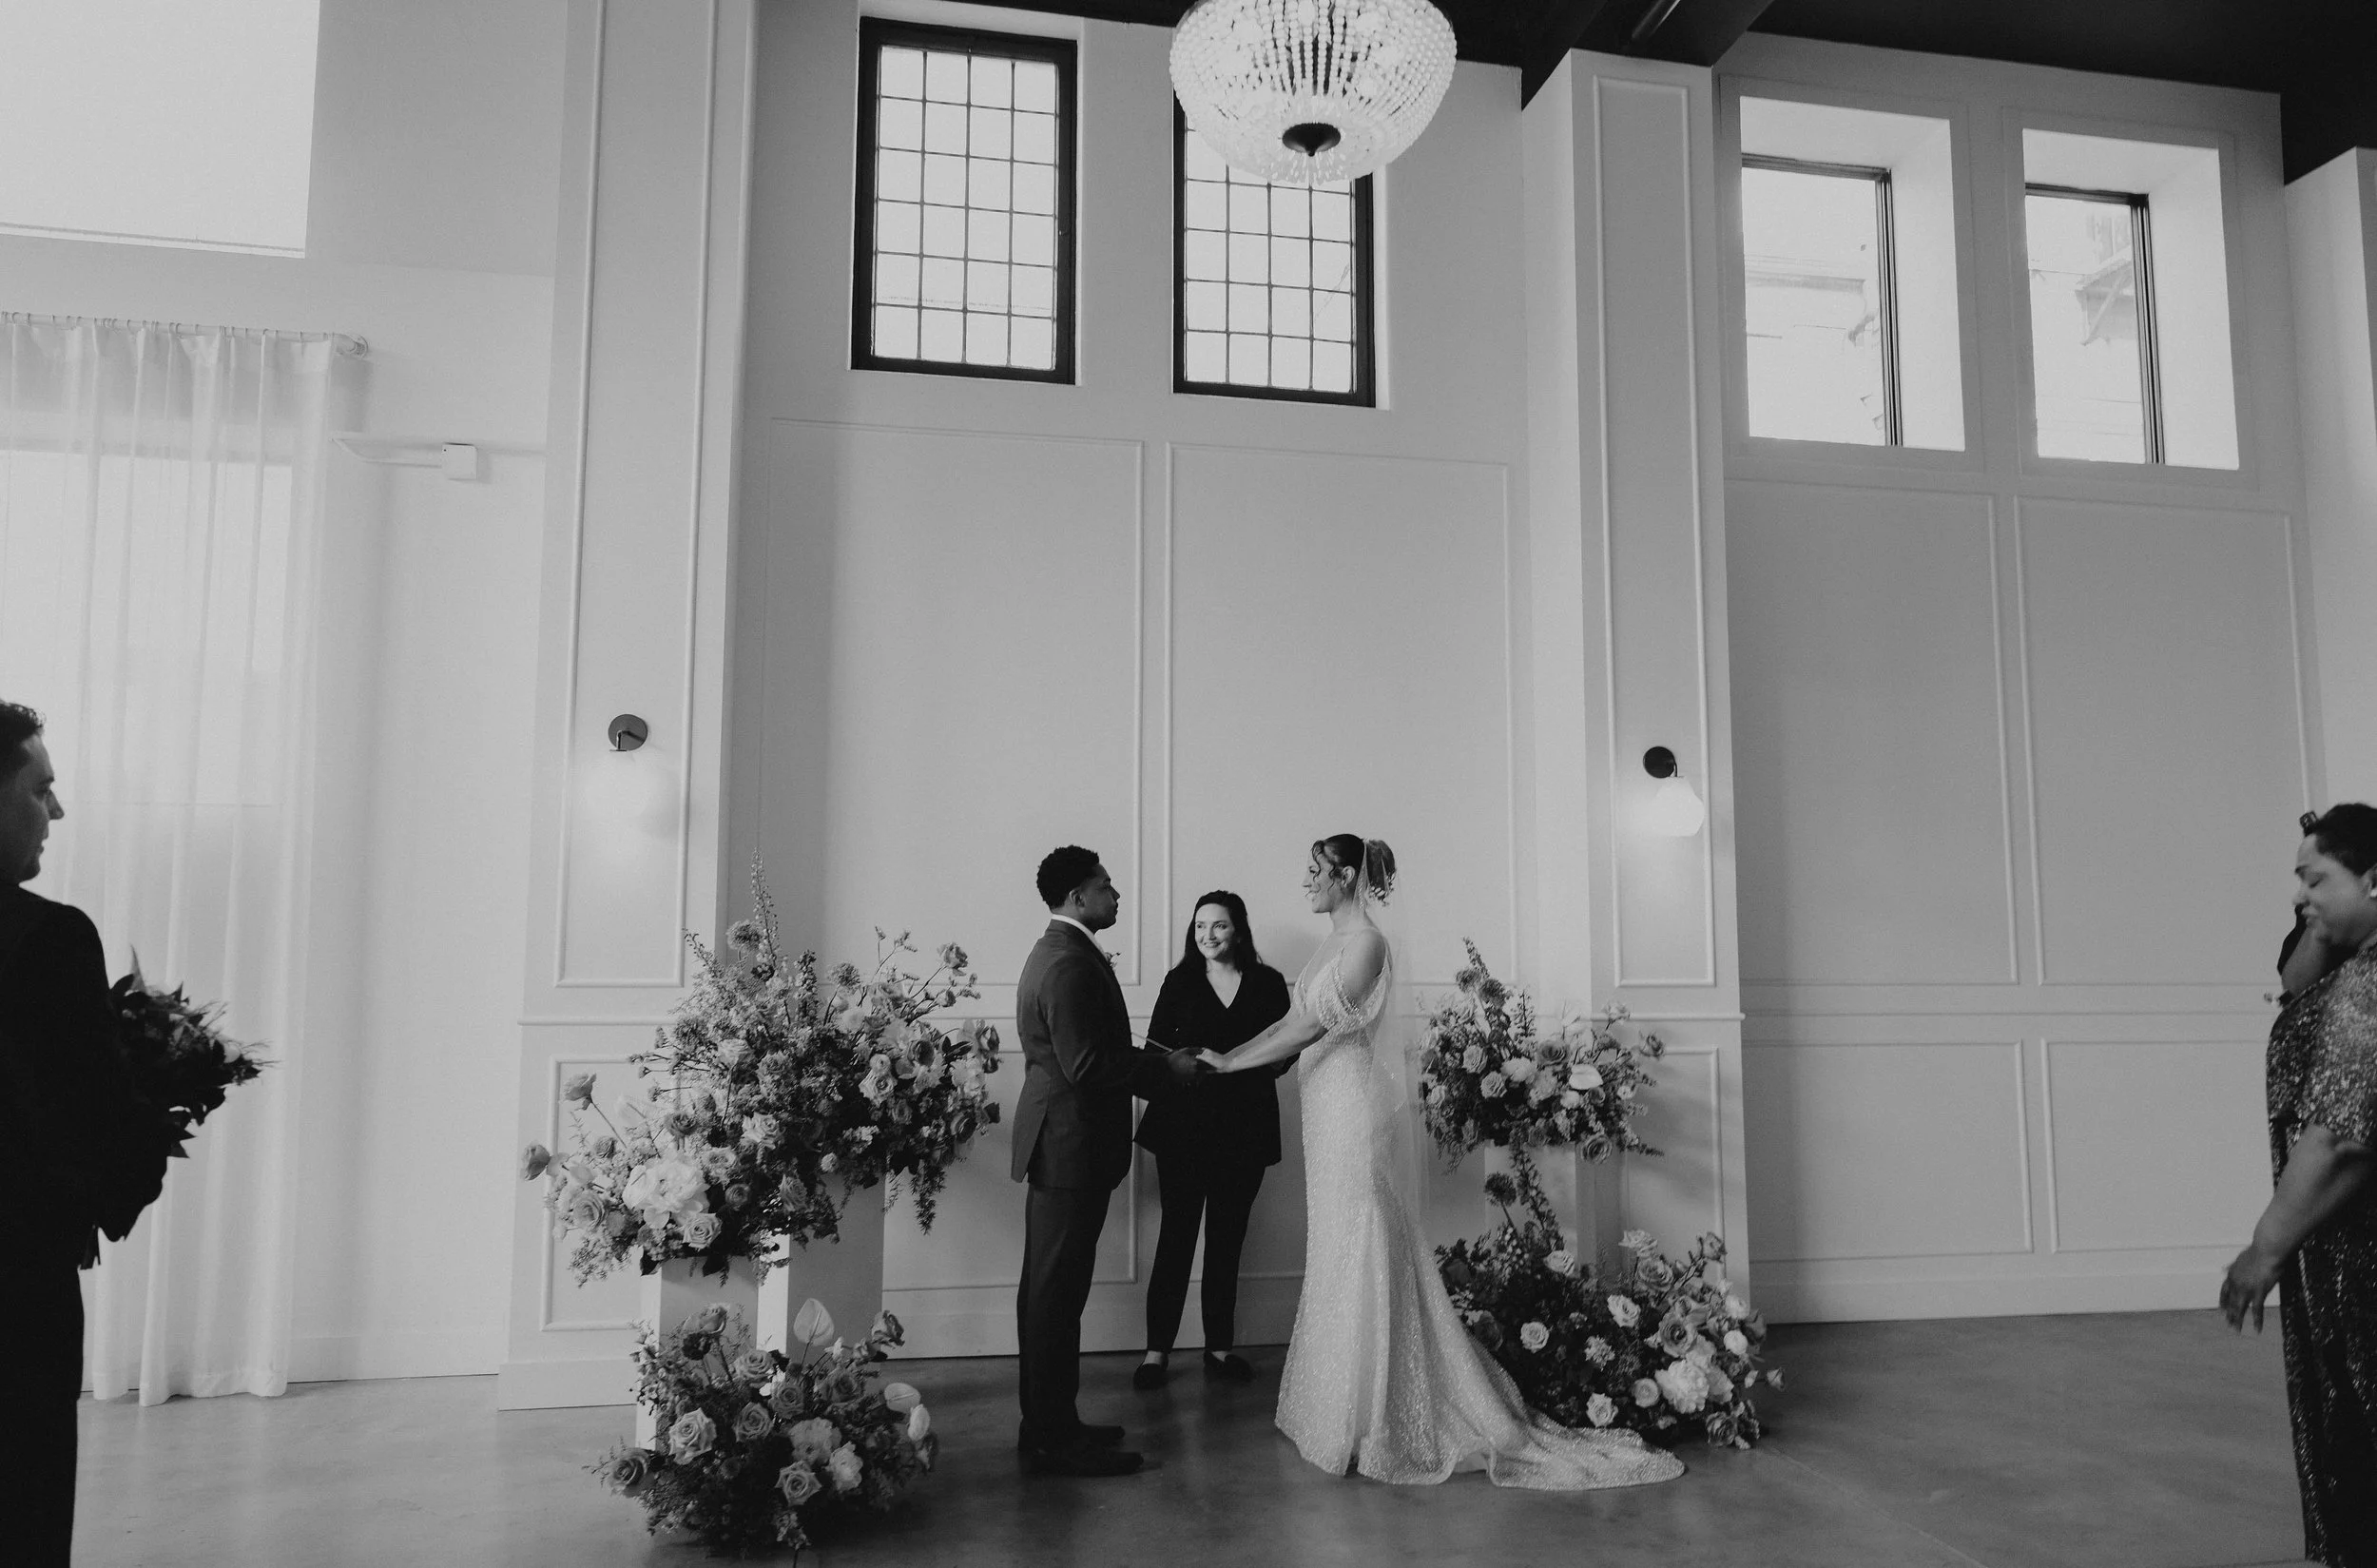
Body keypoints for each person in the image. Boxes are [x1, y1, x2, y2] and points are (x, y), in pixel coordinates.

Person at [1207, 833, 1682, 1489]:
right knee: (1335, 1242)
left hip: (1348, 1110)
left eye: (1315, 872)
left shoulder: (1366, 943)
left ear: (1346, 876)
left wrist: (1231, 1065)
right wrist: (1227, 1052)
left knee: (1362, 1235)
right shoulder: (1326, 944)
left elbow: (1309, 1029)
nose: (1306, 883)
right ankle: (1333, 1405)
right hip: (1320, 1106)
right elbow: (1287, 1020)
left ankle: (1376, 1411)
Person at [0, 703, 164, 1566]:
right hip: (15, 1289)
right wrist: (150, 1136)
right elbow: (98, 1130)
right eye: (41, 788)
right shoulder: (49, 939)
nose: (55, 812)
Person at [1012, 844, 1210, 1477]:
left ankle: (1053, 1424)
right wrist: (1167, 1068)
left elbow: (1087, 1048)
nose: (1115, 894)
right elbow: (1088, 1065)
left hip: (1066, 1142)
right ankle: (1049, 1440)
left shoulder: (1063, 951)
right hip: (1068, 1147)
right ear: (1077, 897)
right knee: (1052, 1295)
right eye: (1105, 885)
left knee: (1055, 1293)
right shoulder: (1067, 963)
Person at [2225, 803, 2377, 1566]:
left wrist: (2264, 1247)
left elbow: (2342, 1134)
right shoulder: (2352, 962)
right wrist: (2323, 908)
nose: (2300, 894)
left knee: (2360, 1422)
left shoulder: (2372, 984)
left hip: (2360, 1238)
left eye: (2314, 877)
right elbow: (2293, 983)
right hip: (2337, 1233)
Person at [1132, 890, 1292, 1389]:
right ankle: (1156, 1352)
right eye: (1200, 926)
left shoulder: (1267, 982)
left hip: (1245, 1128)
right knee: (1176, 1238)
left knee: (1227, 1240)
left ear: (1238, 930)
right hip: (1182, 1128)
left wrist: (1252, 1067)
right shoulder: (1179, 980)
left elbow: (1286, 1046)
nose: (1208, 935)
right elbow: (1156, 1049)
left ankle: (1219, 1349)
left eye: (1218, 926)